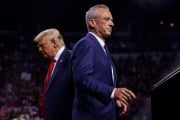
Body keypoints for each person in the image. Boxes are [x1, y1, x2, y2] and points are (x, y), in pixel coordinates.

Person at [71, 4, 136, 120]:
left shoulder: (102, 48)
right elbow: (83, 79)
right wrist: (113, 92)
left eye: (111, 20)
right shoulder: (86, 44)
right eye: (107, 19)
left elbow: (99, 86)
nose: (112, 23)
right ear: (92, 23)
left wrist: (113, 100)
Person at [34, 28, 74, 120]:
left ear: (54, 43)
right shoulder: (53, 63)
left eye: (41, 45)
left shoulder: (72, 58)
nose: (39, 49)